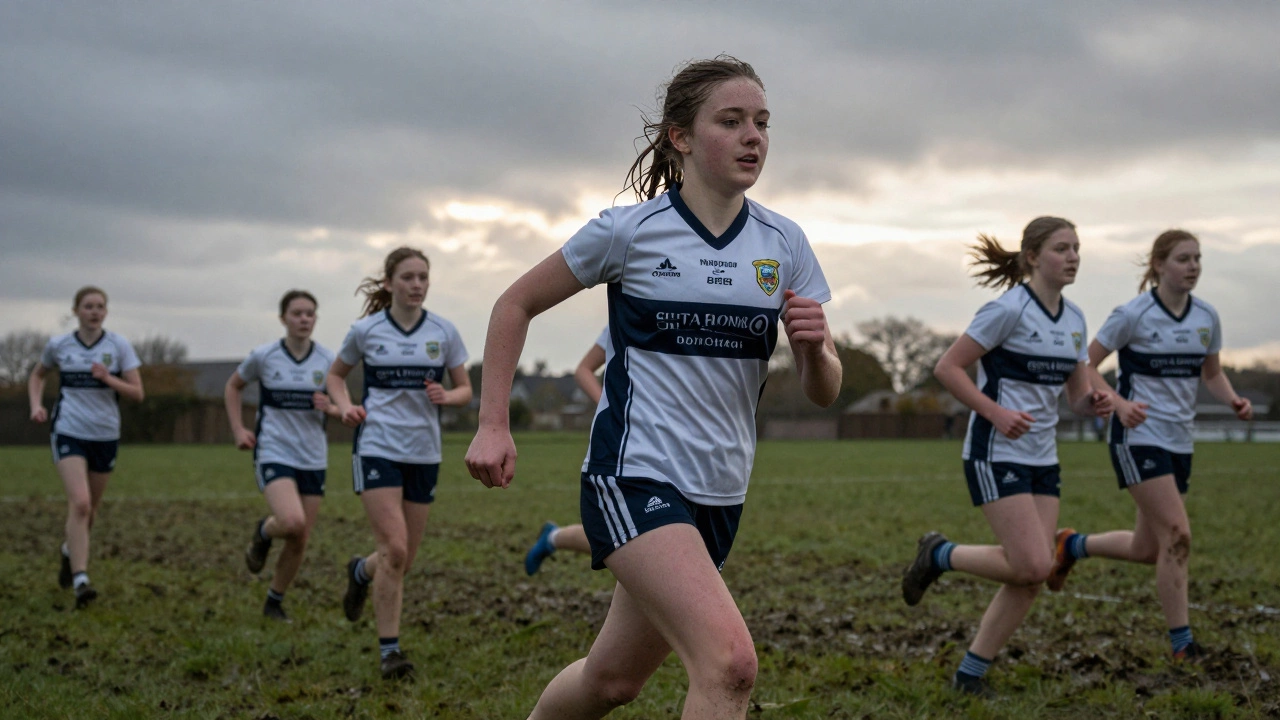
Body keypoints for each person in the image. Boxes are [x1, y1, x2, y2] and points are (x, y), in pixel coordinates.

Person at [466, 56, 841, 719]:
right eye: (731, 121)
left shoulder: (785, 244)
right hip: (633, 476)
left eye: (762, 122)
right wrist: (493, 422)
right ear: (682, 137)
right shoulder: (630, 232)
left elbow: (824, 391)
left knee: (611, 682)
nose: (753, 136)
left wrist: (813, 349)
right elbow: (513, 305)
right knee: (728, 666)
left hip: (720, 490)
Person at [900, 217, 1111, 697]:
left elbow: (1076, 395)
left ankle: (971, 674)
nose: (1074, 256)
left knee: (1032, 574)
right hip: (995, 452)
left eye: (1077, 248)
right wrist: (995, 413)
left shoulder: (1075, 319)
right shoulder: (1008, 310)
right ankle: (939, 554)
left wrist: (1092, 403)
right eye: (1062, 248)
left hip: (1044, 456)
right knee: (1034, 564)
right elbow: (947, 367)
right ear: (1033, 257)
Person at [1046, 229, 1253, 661]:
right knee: (1178, 534)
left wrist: (1231, 398)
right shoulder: (1133, 314)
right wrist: (1119, 405)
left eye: (1198, 259)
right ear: (1159, 265)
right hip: (1137, 437)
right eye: (1183, 258)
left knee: (1149, 549)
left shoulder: (1207, 317)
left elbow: (1211, 374)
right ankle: (1183, 645)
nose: (1193, 266)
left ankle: (1072, 545)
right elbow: (1086, 366)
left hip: (1180, 441)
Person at [326, 247, 472, 679]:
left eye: (423, 277)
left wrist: (449, 395)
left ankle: (360, 571)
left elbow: (465, 388)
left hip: (424, 451)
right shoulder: (366, 330)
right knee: (394, 548)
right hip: (377, 446)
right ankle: (390, 652)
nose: (417, 285)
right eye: (408, 277)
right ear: (389, 283)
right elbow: (335, 377)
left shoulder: (444, 332)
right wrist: (345, 406)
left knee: (400, 560)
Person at [225, 290, 338, 622]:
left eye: (309, 314)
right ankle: (263, 531)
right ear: (283, 318)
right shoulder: (264, 356)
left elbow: (342, 403)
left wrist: (330, 407)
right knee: (291, 522)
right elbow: (233, 386)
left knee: (300, 537)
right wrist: (238, 429)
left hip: (314, 456)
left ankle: (274, 601)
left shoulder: (328, 361)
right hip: (274, 449)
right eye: (297, 313)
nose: (304, 319)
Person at [28, 286, 145, 609]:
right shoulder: (60, 345)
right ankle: (81, 580)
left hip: (105, 434)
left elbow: (137, 393)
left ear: (106, 312)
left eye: (100, 306)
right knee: (79, 503)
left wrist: (109, 379)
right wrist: (36, 404)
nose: (94, 311)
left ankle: (69, 552)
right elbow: (37, 376)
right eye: (88, 306)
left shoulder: (119, 346)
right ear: (76, 311)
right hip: (69, 430)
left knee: (90, 511)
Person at [523, 326, 606, 575]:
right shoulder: (643, 299)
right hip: (644, 449)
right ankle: (554, 538)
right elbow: (584, 369)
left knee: (627, 542)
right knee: (630, 542)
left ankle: (553, 538)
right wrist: (612, 408)